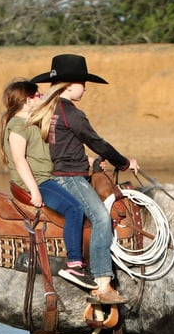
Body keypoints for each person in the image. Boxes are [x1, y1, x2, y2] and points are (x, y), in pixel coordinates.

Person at [28, 54, 140, 305]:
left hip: (67, 173)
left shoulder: (52, 109)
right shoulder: (72, 113)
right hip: (71, 178)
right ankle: (103, 283)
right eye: (82, 82)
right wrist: (124, 162)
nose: (85, 87)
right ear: (68, 85)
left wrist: (91, 162)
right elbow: (97, 141)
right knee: (101, 217)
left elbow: (67, 148)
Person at [0, 79, 97, 290]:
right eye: (38, 95)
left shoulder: (33, 122)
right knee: (74, 208)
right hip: (39, 180)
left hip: (46, 176)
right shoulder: (16, 125)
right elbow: (19, 159)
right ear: (27, 100)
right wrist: (34, 189)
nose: (42, 97)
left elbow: (49, 156)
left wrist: (90, 162)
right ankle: (74, 264)